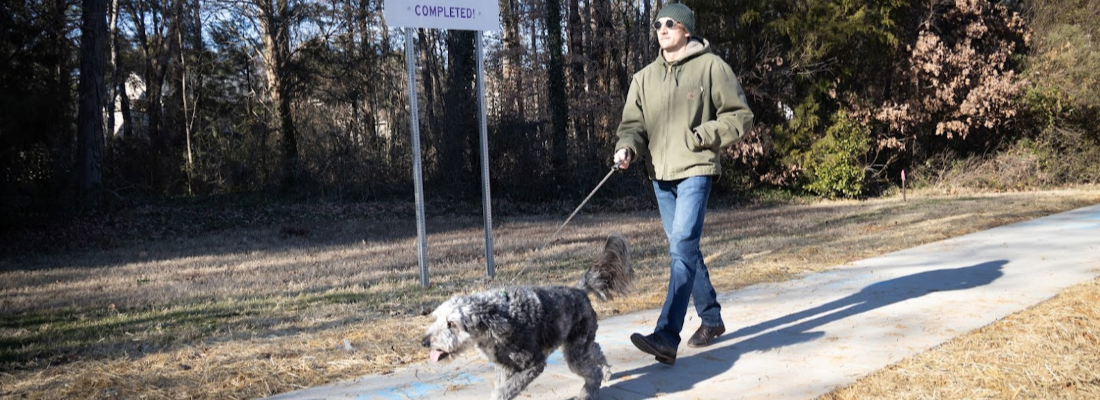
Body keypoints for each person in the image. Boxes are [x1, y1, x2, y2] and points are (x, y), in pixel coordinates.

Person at [612, 3, 754, 366]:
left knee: (682, 248)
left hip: (696, 168)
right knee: (684, 247)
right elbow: (633, 125)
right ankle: (712, 318)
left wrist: (703, 135)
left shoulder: (711, 67)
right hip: (660, 174)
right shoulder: (643, 78)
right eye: (657, 23)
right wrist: (627, 147)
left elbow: (740, 116)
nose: (662, 28)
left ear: (686, 30)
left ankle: (666, 335)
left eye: (670, 23)